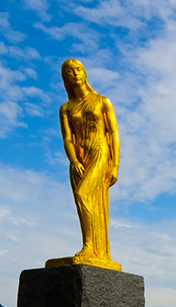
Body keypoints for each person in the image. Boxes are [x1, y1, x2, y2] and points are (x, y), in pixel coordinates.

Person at [48, 58, 122, 271]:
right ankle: (90, 248)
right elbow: (67, 139)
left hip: (99, 152)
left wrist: (115, 165)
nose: (75, 74)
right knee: (82, 203)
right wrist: (73, 160)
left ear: (85, 72)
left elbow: (114, 133)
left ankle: (90, 246)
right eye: (70, 71)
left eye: (78, 69)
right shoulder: (65, 108)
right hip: (79, 159)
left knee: (83, 194)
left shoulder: (102, 101)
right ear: (66, 78)